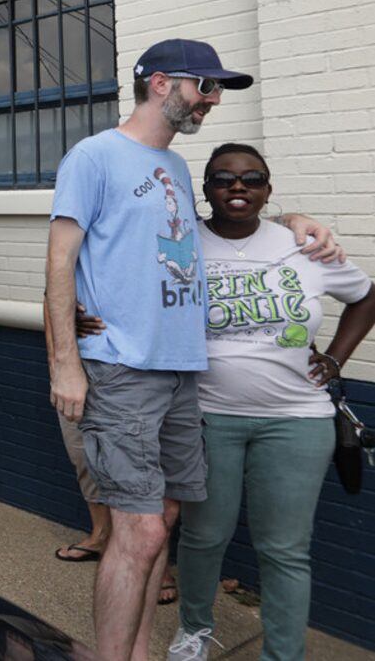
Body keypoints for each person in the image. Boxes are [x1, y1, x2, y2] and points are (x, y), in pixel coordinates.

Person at [45, 38, 338, 661]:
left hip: (182, 372)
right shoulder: (94, 156)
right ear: (159, 84)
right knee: (140, 530)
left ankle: (140, 650)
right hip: (120, 368)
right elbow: (59, 261)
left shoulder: (175, 166)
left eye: (217, 90)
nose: (212, 101)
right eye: (205, 87)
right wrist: (65, 363)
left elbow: (222, 227)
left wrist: (293, 219)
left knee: (166, 521)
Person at [167, 144, 372, 661]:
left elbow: (367, 296)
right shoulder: (180, 243)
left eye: (251, 178)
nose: (238, 187)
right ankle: (194, 629)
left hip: (297, 421)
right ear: (207, 190)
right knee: (204, 536)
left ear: (268, 190)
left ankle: (283, 655)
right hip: (208, 416)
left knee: (284, 550)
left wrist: (337, 360)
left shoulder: (301, 246)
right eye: (224, 179)